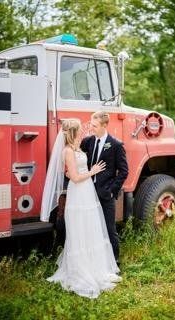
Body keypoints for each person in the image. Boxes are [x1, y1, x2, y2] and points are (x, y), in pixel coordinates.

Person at [40, 118, 122, 299]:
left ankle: (94, 265)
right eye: (80, 129)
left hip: (87, 192)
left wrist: (83, 171)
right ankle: (81, 269)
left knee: (90, 228)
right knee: (79, 230)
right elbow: (75, 178)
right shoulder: (68, 151)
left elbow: (72, 171)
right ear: (73, 133)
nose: (84, 131)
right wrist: (92, 172)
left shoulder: (78, 147)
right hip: (78, 192)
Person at [80, 111, 129, 265]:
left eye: (94, 126)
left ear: (105, 125)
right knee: (90, 228)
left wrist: (111, 190)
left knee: (109, 228)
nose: (91, 128)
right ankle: (95, 260)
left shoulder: (116, 145)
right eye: (90, 125)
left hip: (105, 193)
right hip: (88, 192)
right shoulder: (88, 141)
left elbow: (124, 171)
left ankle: (114, 261)